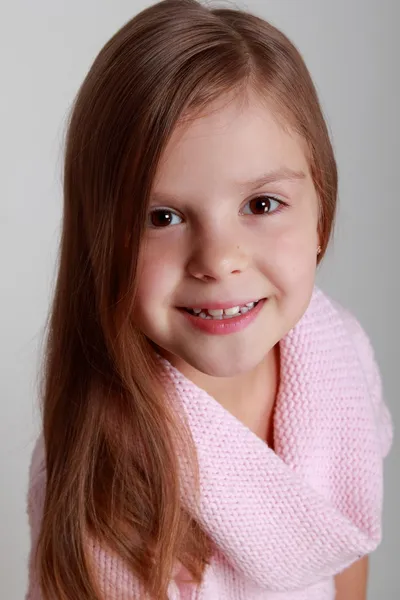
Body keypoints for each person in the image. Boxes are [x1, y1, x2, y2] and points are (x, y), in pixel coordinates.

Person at [25, 1, 394, 599]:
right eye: (162, 216)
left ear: (320, 210)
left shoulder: (341, 357)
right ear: (102, 240)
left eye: (261, 204)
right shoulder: (96, 461)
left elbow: (348, 553)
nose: (219, 259)